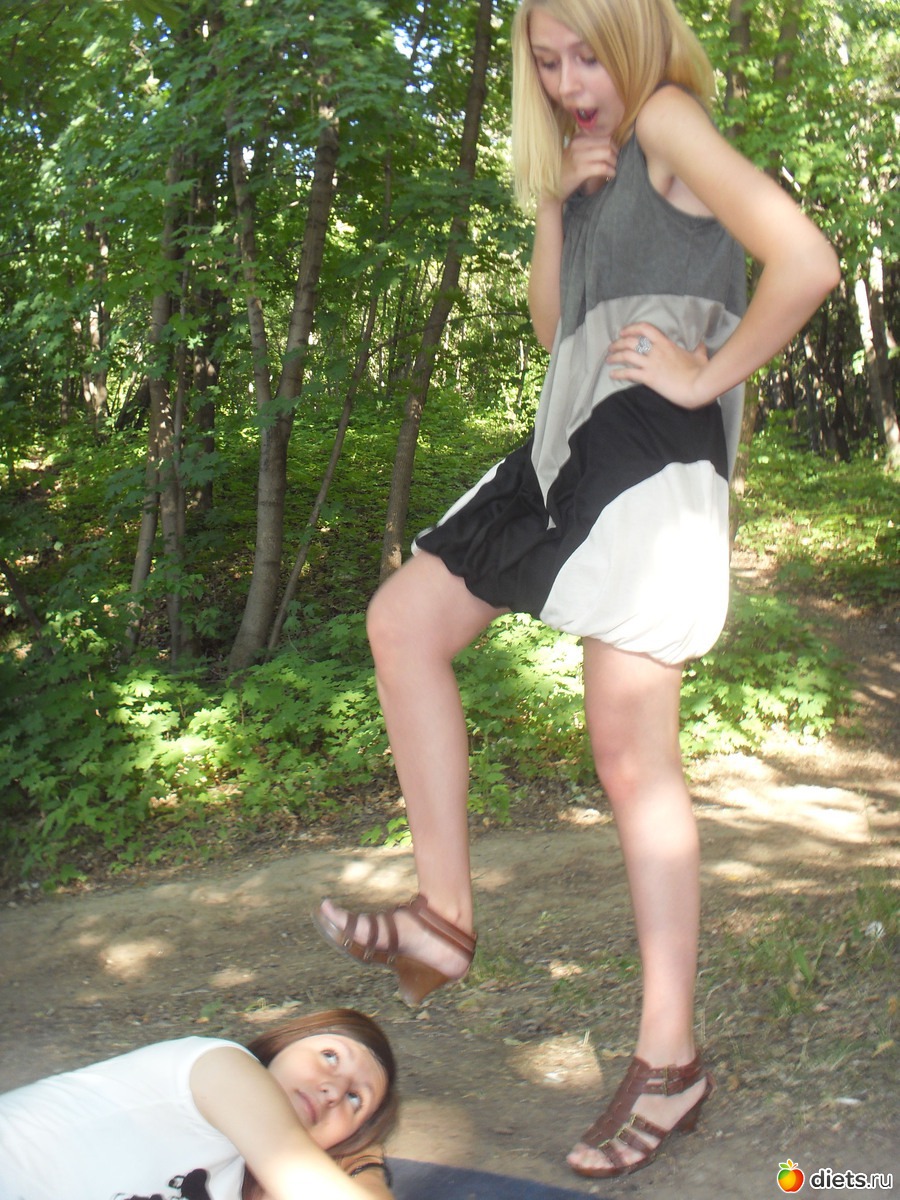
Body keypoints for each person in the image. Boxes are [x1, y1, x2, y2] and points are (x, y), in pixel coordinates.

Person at [315, 0, 840, 1183]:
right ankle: (444, 916)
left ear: (638, 32)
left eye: (586, 53)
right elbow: (558, 328)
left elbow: (807, 262)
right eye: (546, 62)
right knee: (404, 621)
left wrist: (709, 372)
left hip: (648, 441)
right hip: (569, 433)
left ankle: (671, 1057)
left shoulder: (670, 119)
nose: (566, 82)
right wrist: (558, 199)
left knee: (630, 754)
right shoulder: (598, 161)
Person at [0, 1008, 397, 1200]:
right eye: (330, 1056)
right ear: (285, 1043)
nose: (333, 1090)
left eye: (355, 1098)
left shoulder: (231, 1181)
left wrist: (360, 1163)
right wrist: (365, 1165)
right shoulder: (221, 1068)